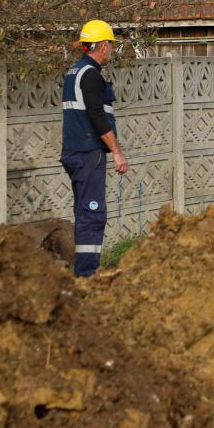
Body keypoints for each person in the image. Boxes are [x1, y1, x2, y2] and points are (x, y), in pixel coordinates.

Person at [60, 19, 129, 277]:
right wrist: (117, 151)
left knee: (84, 213)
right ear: (102, 46)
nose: (111, 49)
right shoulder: (90, 75)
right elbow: (97, 116)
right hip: (88, 154)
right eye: (110, 44)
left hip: (74, 152)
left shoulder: (74, 72)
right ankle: (88, 275)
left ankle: (85, 269)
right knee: (93, 214)